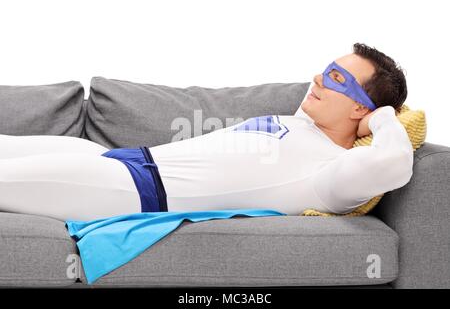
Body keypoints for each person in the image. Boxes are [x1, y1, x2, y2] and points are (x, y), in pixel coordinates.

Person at [0, 43, 413, 221]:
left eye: (337, 77)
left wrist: (382, 118)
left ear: (362, 106)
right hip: (118, 159)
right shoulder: (305, 123)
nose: (319, 80)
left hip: (128, 190)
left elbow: (392, 162)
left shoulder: (333, 175)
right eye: (326, 70)